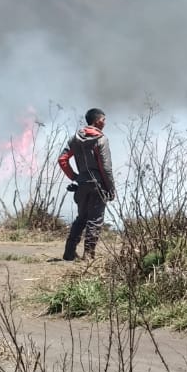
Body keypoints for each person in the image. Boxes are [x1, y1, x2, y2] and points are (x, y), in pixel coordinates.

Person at [57, 108, 116, 261]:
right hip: (98, 185)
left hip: (82, 184)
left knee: (81, 218)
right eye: (103, 120)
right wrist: (111, 188)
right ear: (97, 121)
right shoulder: (101, 139)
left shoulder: (75, 139)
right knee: (95, 220)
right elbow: (105, 167)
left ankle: (69, 252)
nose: (105, 123)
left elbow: (62, 159)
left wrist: (75, 177)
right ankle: (89, 256)